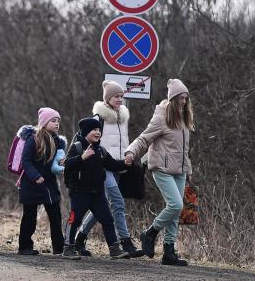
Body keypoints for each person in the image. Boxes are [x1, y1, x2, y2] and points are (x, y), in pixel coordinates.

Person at [124, 78, 194, 266]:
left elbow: (184, 149)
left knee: (175, 211)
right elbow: (144, 139)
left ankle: (169, 252)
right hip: (161, 169)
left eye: (186, 98)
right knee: (175, 205)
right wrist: (131, 152)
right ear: (173, 98)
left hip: (179, 171)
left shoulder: (184, 119)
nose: (184, 102)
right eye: (181, 98)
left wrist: (188, 169)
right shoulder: (161, 117)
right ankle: (150, 233)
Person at [75, 81, 143, 258]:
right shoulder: (99, 118)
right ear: (107, 98)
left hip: (119, 166)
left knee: (102, 206)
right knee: (118, 203)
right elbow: (82, 137)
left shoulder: (123, 117)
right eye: (116, 96)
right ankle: (125, 242)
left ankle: (79, 237)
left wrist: (128, 156)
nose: (120, 99)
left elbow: (124, 142)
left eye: (121, 96)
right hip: (103, 168)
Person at [62, 117, 131, 260]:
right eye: (94, 129)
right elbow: (66, 164)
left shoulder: (101, 150)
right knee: (74, 220)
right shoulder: (77, 147)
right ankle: (68, 248)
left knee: (107, 220)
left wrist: (125, 163)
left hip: (97, 194)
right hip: (79, 193)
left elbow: (113, 165)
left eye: (99, 129)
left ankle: (114, 249)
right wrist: (82, 157)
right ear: (86, 131)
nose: (98, 132)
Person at [17, 107, 66, 256]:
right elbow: (26, 160)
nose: (57, 123)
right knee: (29, 216)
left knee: (55, 216)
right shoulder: (33, 138)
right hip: (31, 183)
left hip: (49, 184)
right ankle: (24, 246)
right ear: (44, 123)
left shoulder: (58, 141)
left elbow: (56, 163)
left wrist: (62, 164)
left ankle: (59, 247)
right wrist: (35, 176)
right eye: (53, 120)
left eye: (58, 121)